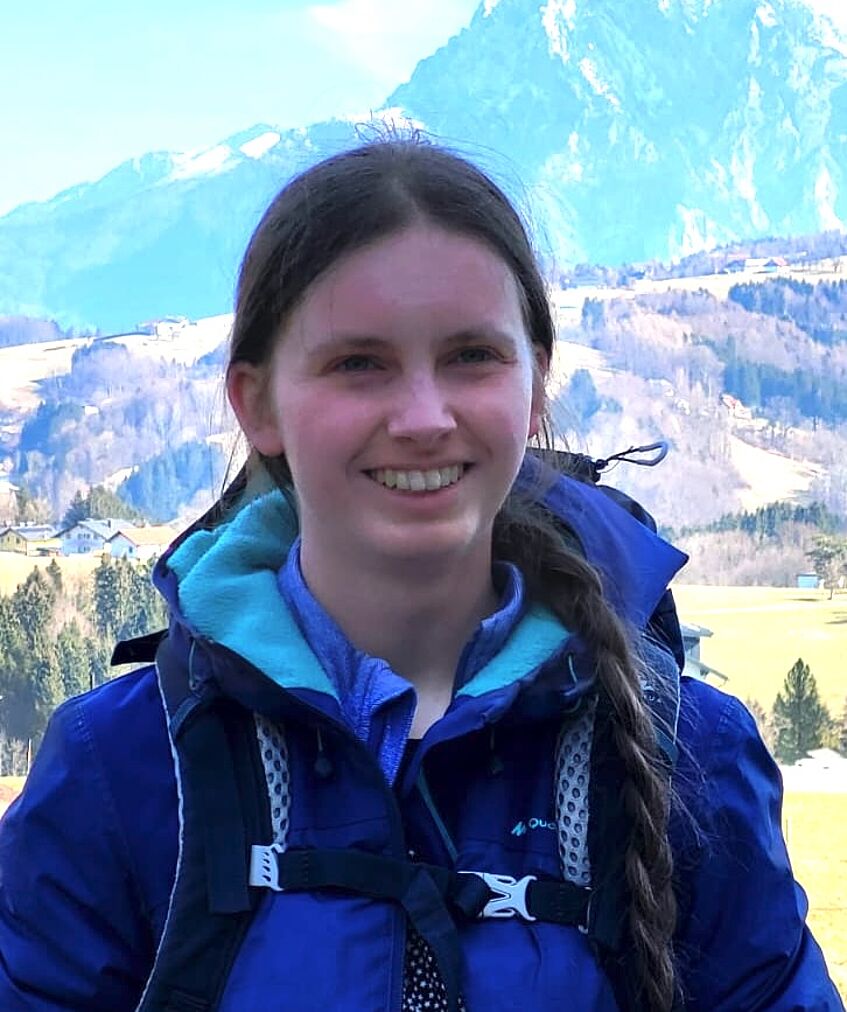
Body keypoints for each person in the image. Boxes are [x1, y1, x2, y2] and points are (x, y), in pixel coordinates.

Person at [0, 139, 841, 1012]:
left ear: (535, 383)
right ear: (257, 404)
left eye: (472, 356)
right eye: (358, 364)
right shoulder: (124, 769)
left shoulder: (687, 754)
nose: (423, 418)